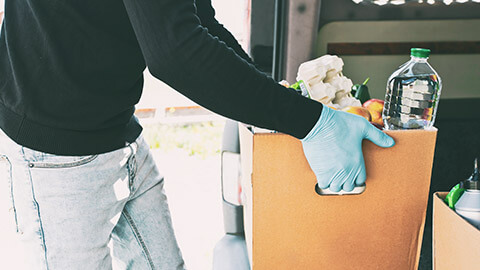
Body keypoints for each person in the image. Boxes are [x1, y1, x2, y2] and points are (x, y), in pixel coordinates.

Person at [0, 0, 395, 269]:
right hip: (57, 153)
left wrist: (274, 100)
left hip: (119, 132)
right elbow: (176, 54)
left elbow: (198, 20)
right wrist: (313, 123)